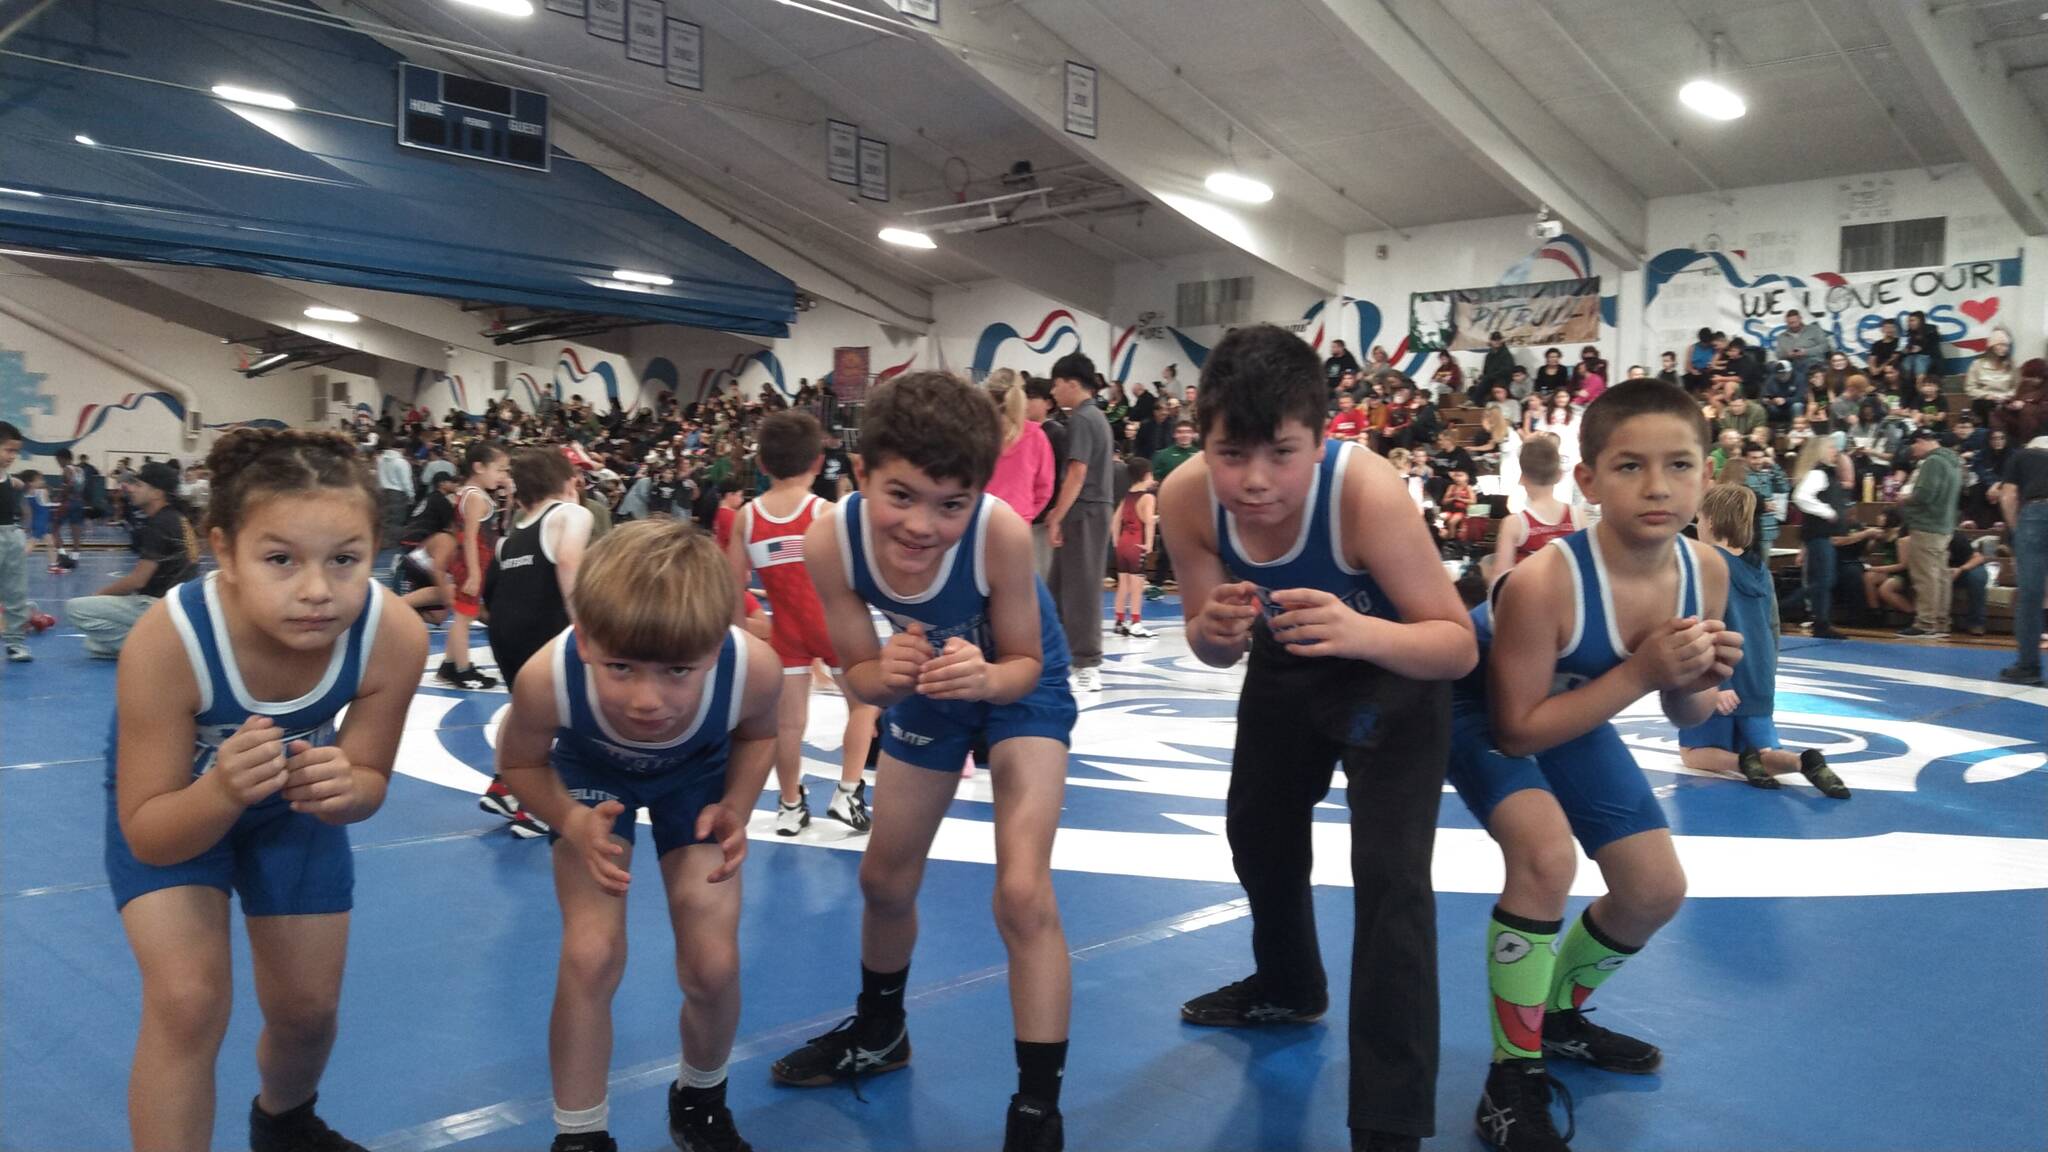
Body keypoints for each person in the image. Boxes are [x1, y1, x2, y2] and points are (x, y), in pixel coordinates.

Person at [1158, 325, 1476, 1152]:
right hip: (1291, 654)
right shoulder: (1187, 499)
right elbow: (1205, 639)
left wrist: (1360, 633)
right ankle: (1290, 983)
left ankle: (1390, 1118)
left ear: (1322, 438)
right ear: (1201, 435)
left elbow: (1455, 644)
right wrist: (1219, 633)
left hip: (1395, 666)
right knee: (1256, 829)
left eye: (1281, 454)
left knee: (1390, 876)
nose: (1255, 482)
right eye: (1232, 454)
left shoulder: (1364, 495)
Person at [769, 372, 1077, 1152]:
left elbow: (1024, 664)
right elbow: (859, 676)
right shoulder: (829, 538)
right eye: (900, 496)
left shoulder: (1000, 533)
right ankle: (880, 1032)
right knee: (883, 879)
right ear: (861, 474)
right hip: (932, 680)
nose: (921, 525)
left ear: (978, 494)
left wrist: (983, 676)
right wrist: (890, 675)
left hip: (1014, 683)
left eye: (950, 503)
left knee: (1022, 892)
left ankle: (1037, 1113)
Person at [106, 428, 428, 1151]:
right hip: (176, 800)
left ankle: (284, 1123)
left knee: (308, 1011)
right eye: (280, 559)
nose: (317, 590)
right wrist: (220, 792)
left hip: (293, 799)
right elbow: (150, 833)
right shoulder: (168, 642)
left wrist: (350, 789)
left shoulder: (393, 634)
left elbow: (369, 780)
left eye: (345, 560)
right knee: (187, 1002)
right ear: (223, 550)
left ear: (376, 550)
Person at [1448, 380, 1741, 1152]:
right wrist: (1647, 673)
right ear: (1588, 481)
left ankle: (1558, 1021)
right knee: (1545, 859)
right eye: (1630, 467)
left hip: (1571, 701)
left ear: (1707, 474)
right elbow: (1515, 733)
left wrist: (1699, 682)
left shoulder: (1705, 570)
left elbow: (1681, 714)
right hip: (1480, 705)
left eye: (1679, 465)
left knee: (1653, 888)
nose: (1657, 487)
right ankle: (1511, 1079)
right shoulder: (1547, 580)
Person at [493, 520, 780, 1152]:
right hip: (591, 777)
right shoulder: (548, 677)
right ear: (587, 640)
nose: (647, 700)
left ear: (715, 647)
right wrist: (569, 820)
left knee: (713, 962)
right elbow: (517, 762)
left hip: (698, 775)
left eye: (678, 671)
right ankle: (580, 1135)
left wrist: (737, 803)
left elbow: (759, 734)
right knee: (590, 953)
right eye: (620, 667)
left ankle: (701, 1098)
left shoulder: (752, 667)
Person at [730, 410, 881, 838]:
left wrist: (747, 634)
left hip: (786, 631)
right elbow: (861, 574)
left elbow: (731, 588)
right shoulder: (828, 512)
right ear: (818, 462)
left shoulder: (747, 516)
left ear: (761, 466)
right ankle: (848, 792)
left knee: (788, 725)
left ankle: (790, 805)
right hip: (835, 625)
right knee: (864, 706)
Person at [1677, 484, 1848, 796]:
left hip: (1722, 681)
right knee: (1767, 753)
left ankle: (1742, 764)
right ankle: (1802, 762)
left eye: (1699, 521)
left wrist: (1711, 685)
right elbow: (1773, 629)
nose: (1697, 527)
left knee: (1692, 755)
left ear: (1712, 522)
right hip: (1759, 682)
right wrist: (1767, 680)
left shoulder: (1706, 563)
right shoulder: (1761, 572)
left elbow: (1697, 625)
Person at [478, 449, 595, 838]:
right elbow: (567, 562)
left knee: (523, 708)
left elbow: (490, 592)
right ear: (567, 482)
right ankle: (540, 807)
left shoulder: (510, 538)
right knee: (565, 715)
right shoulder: (570, 514)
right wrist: (584, 626)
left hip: (505, 632)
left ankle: (503, 785)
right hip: (543, 628)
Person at [67, 461, 199, 658]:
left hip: (160, 606)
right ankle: (159, 643)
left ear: (156, 493)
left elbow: (138, 580)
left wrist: (99, 596)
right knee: (93, 645)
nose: (131, 488)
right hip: (180, 607)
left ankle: (161, 650)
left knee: (75, 608)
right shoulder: (176, 518)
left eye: (138, 485)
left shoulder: (160, 524)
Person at [1044, 353, 1113, 694]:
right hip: (1084, 510)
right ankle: (1055, 655)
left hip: (1085, 510)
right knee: (1056, 587)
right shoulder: (1090, 417)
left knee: (1082, 589)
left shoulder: (1084, 419)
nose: (1053, 391)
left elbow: (1077, 471)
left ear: (1072, 383)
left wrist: (1056, 513)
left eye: (1056, 384)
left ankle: (1088, 663)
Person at [438, 441, 509, 689]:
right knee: (463, 619)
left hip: (471, 562)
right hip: (471, 564)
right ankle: (462, 670)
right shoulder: (476, 497)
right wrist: (475, 574)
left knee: (462, 616)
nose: (502, 476)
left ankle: (449, 664)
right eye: (499, 470)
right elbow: (469, 537)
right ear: (479, 467)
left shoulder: (469, 492)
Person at [1899, 427, 1963, 639]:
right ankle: (1941, 622)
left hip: (1927, 525)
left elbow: (1924, 495)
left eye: (1913, 445)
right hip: (1945, 526)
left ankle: (1925, 623)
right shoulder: (1953, 461)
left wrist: (1904, 498)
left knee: (1925, 576)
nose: (1913, 451)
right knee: (1940, 575)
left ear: (1920, 441)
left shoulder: (1933, 462)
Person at [1490, 436, 1580, 579]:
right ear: (1559, 476)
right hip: (1569, 597)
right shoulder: (1579, 517)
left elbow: (1499, 578)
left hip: (1530, 597)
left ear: (1522, 478)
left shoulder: (1514, 524)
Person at [1790, 435, 1851, 639]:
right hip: (1819, 534)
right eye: (1831, 447)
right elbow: (1800, 496)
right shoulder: (1819, 473)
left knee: (1822, 581)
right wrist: (1828, 512)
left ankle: (1820, 622)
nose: (1835, 451)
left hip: (1819, 535)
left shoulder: (1823, 473)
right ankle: (1786, 609)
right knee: (1822, 581)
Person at [986, 369, 1056, 529]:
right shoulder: (1037, 436)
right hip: (1019, 523)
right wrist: (1027, 514)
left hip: (979, 522)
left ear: (988, 396)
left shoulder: (976, 434)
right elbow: (1045, 488)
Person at [1023, 378, 1068, 580]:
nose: (1026, 402)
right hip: (1025, 514)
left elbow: (1063, 474)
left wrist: (1056, 510)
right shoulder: (1021, 432)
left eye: (1032, 398)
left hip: (1044, 517)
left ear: (1048, 403)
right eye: (1024, 397)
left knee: (1039, 574)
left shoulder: (1055, 433)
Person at [1112, 456, 1156, 638]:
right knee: (1137, 586)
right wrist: (1149, 544)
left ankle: (1119, 621)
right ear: (1147, 475)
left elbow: (1114, 521)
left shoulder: (1126, 496)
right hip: (1137, 543)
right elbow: (1147, 522)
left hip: (1123, 542)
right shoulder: (1147, 497)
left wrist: (1116, 541)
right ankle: (1136, 623)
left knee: (1123, 584)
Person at [0, 422, 30, 663]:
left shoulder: (9, 479)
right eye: (8, 450)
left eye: (15, 452)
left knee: (15, 591)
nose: (13, 456)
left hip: (11, 535)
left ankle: (15, 642)